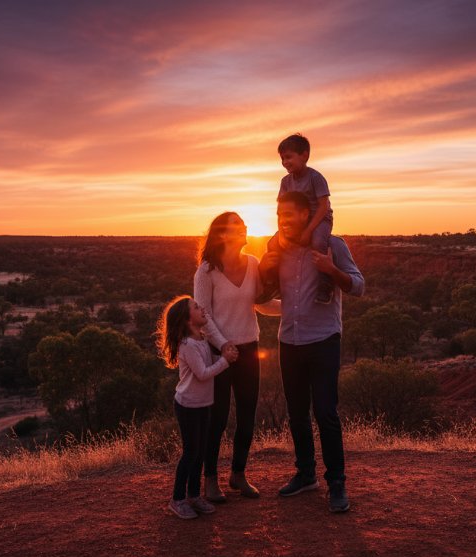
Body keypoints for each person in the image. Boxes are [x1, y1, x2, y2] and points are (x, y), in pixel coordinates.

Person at [260, 190, 364, 513]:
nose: (283, 221)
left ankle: (337, 483)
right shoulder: (277, 247)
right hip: (289, 341)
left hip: (323, 340)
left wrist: (331, 270)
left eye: (289, 215)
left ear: (307, 215)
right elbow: (262, 291)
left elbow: (359, 285)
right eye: (279, 216)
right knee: (297, 414)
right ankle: (306, 475)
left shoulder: (333, 245)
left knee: (326, 413)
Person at [194, 212, 280, 502]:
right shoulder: (206, 271)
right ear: (222, 235)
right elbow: (203, 318)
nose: (244, 230)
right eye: (237, 228)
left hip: (249, 349)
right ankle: (210, 480)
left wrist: (295, 307)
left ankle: (238, 474)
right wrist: (224, 345)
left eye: (244, 226)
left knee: (247, 415)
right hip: (218, 352)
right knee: (217, 419)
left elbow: (261, 304)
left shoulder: (253, 264)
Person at [156, 295, 238, 519]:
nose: (202, 309)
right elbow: (203, 373)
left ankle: (193, 495)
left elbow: (210, 365)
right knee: (191, 452)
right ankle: (177, 499)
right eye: (196, 307)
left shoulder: (201, 339)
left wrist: (224, 355)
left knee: (200, 451)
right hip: (188, 405)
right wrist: (225, 361)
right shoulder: (187, 345)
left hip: (203, 404)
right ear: (187, 319)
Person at [258, 133, 335, 304]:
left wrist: (308, 230)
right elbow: (281, 211)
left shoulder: (315, 178)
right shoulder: (286, 182)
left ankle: (325, 286)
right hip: (296, 221)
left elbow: (324, 206)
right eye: (282, 159)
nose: (285, 162)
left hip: (319, 219)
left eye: (289, 157)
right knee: (273, 243)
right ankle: (272, 284)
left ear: (304, 155)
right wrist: (283, 235)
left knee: (317, 242)